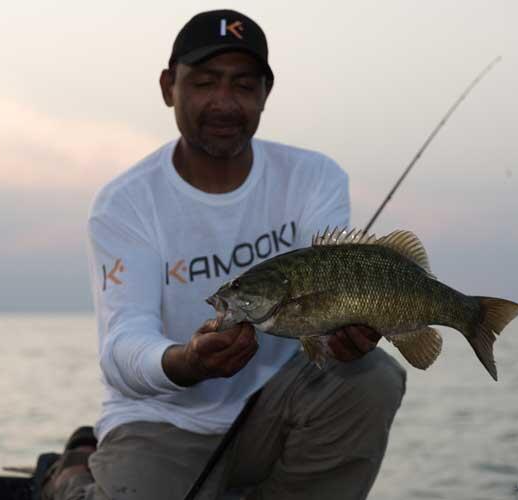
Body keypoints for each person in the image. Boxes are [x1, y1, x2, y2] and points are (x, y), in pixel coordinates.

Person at [41, 9, 406, 500]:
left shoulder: (314, 177)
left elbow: (336, 274)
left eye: (243, 85)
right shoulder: (125, 202)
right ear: (169, 86)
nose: (224, 103)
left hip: (275, 409)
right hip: (161, 419)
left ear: (264, 95)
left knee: (372, 376)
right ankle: (71, 476)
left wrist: (350, 328)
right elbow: (122, 346)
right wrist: (187, 362)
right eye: (204, 82)